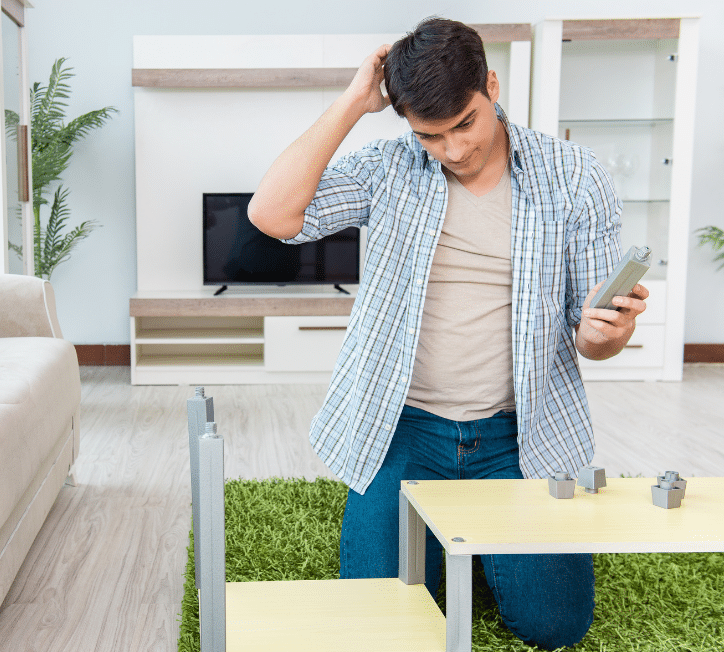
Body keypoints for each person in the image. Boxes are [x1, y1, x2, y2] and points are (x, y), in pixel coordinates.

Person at [247, 17, 648, 651]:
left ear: (491, 85)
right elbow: (272, 215)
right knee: (381, 621)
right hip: (402, 429)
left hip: (521, 434)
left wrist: (608, 330)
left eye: (465, 124)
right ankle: (458, 541)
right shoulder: (391, 166)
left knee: (555, 627)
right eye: (430, 135)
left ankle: (485, 548)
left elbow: (592, 340)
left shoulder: (574, 176)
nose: (454, 150)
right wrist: (355, 99)